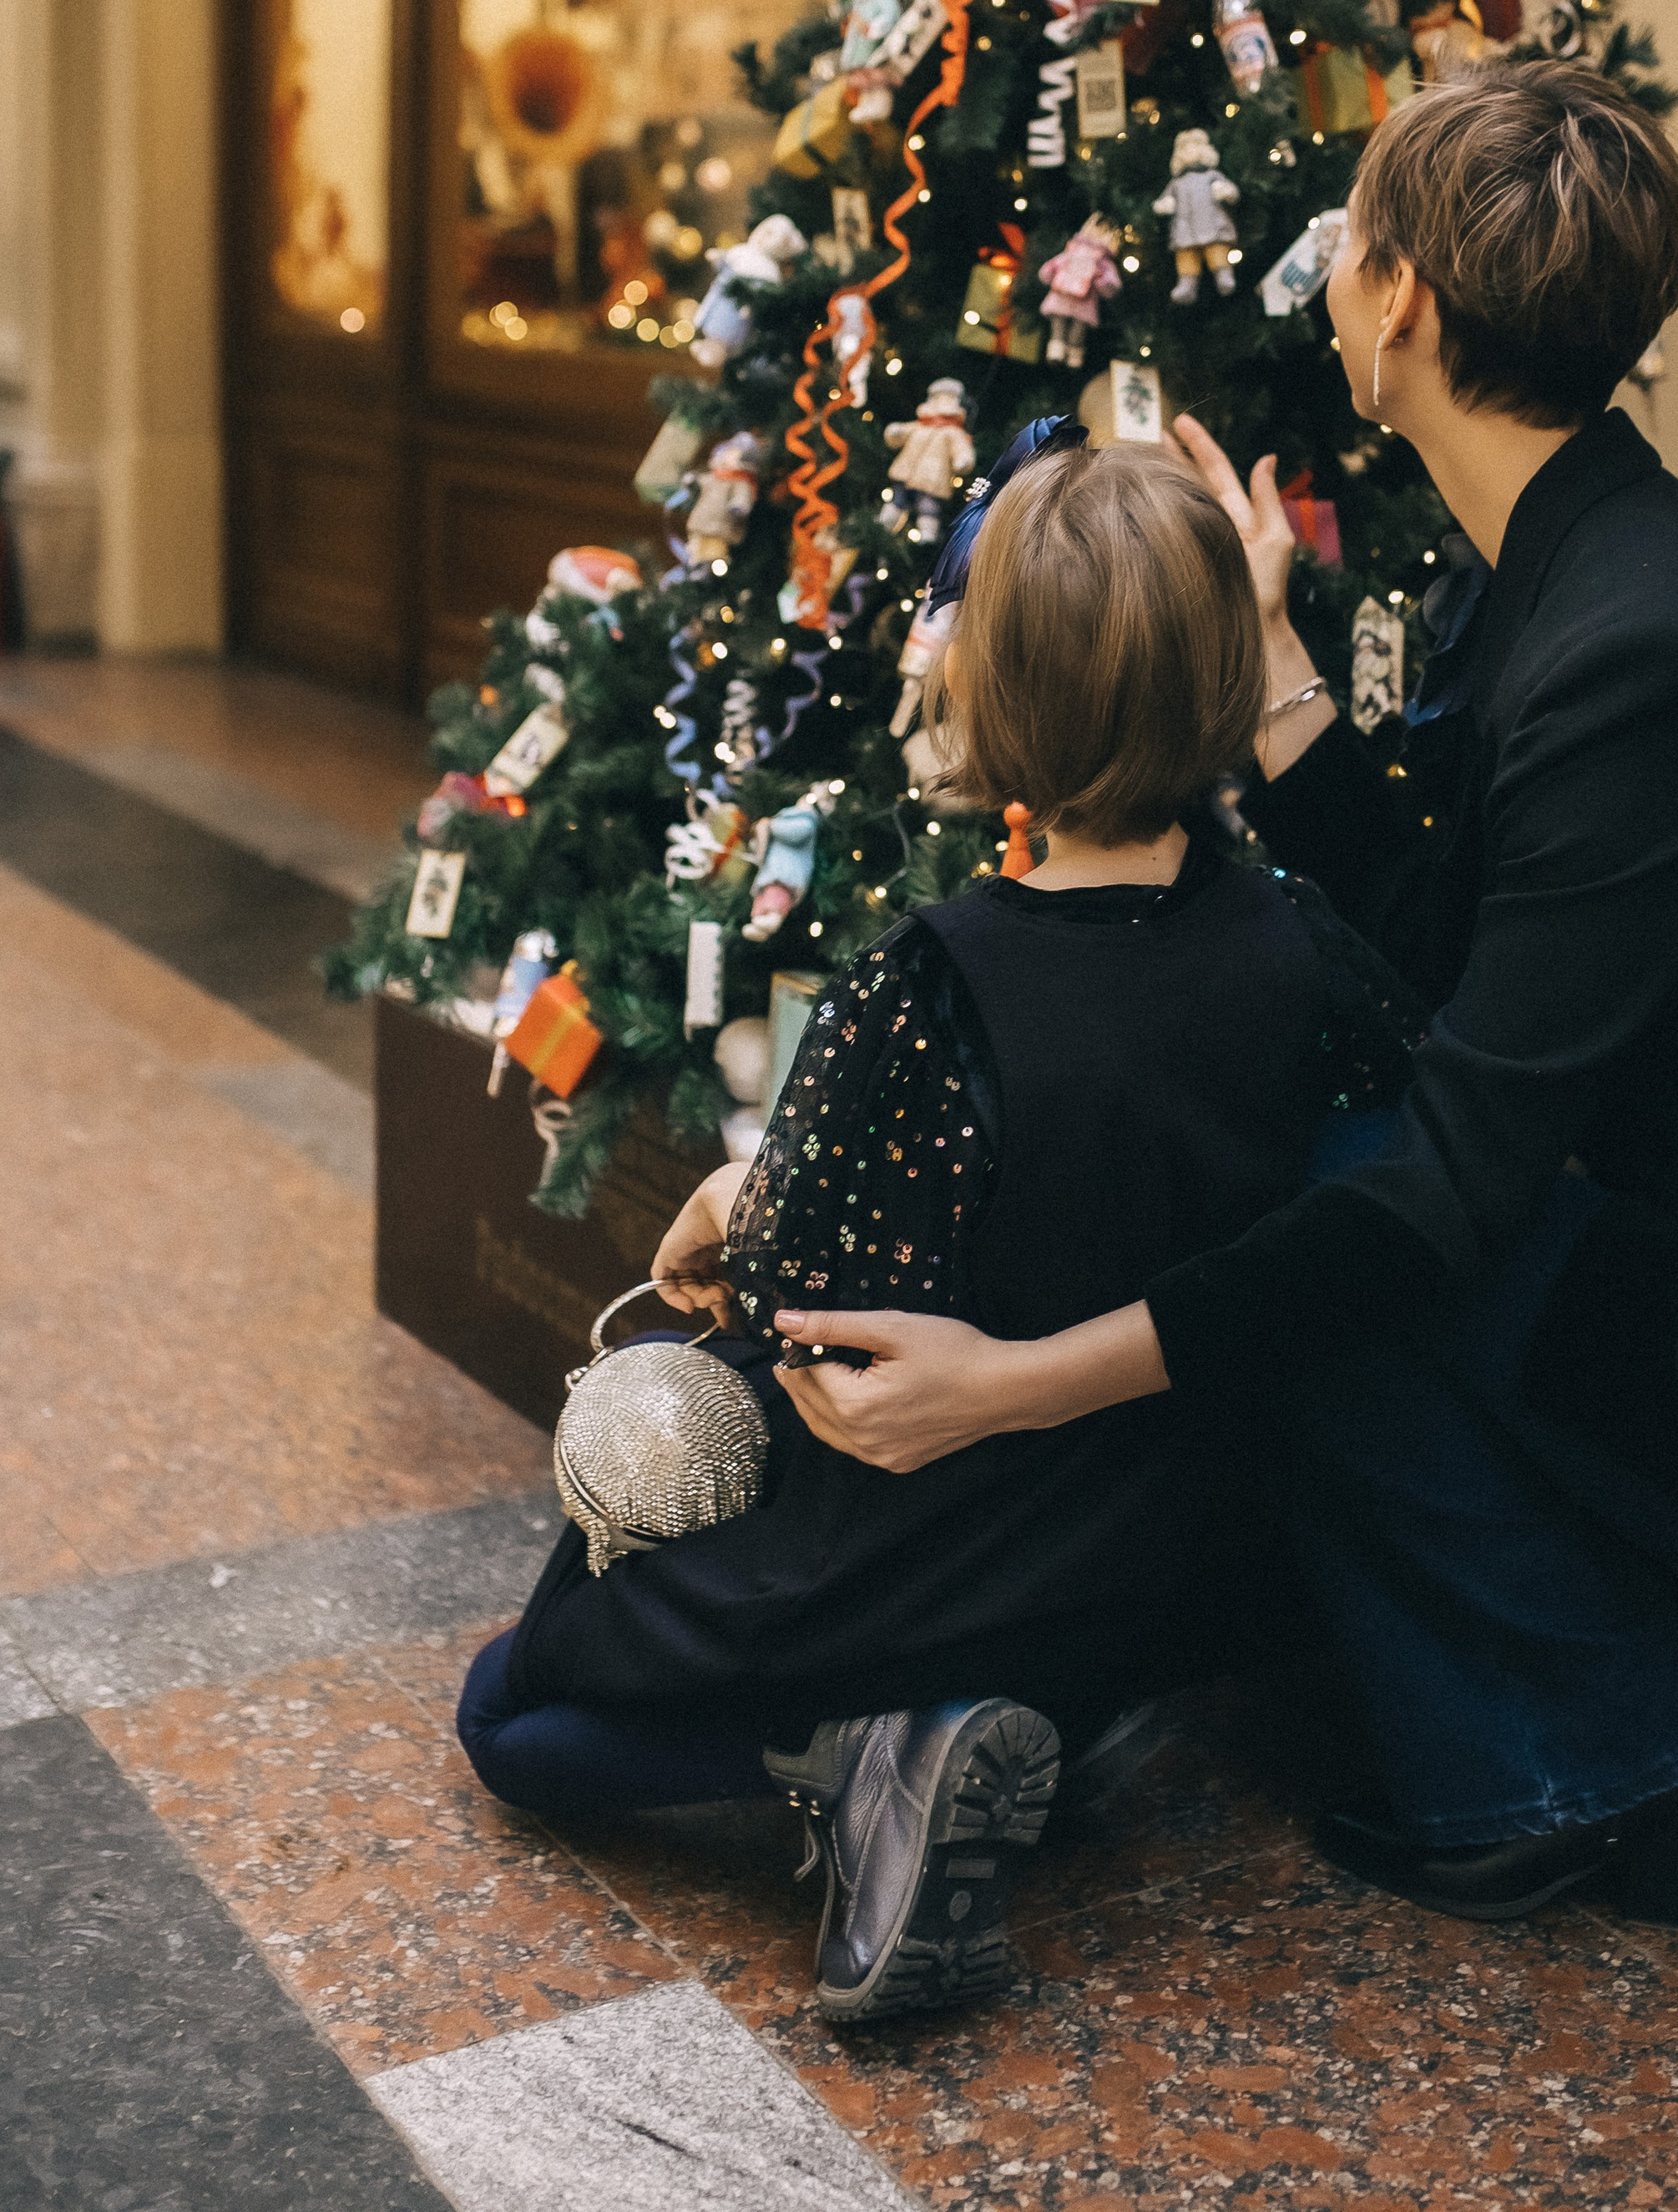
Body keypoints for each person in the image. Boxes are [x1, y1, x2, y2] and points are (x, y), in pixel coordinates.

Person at [770, 57, 1678, 1926]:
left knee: (1335, 1209)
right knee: (1327, 1176)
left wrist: (1014, 1388)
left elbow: (1441, 1189)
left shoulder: (1645, 639)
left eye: (1350, 244)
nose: (1330, 278)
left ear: (1401, 301)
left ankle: (1596, 1763)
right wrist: (1279, 660)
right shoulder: (1583, 564)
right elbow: (1447, 957)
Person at [457, 443, 1420, 2016]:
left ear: (1000, 691)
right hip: (1183, 1539)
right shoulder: (1302, 936)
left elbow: (813, 1326)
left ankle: (874, 1750)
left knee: (513, 1712)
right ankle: (1059, 1715)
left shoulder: (925, 986)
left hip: (945, 1538)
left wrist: (741, 1221)